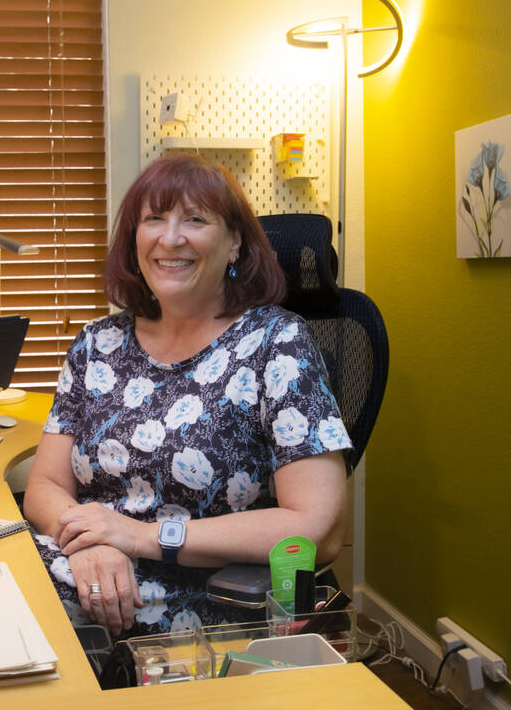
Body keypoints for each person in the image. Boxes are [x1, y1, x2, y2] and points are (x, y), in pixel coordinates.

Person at [23, 153, 351, 639]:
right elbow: (44, 486)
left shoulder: (275, 344)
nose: (170, 238)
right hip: (77, 569)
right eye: (154, 218)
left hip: (187, 601)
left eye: (195, 220)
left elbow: (314, 527)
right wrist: (89, 541)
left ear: (235, 242)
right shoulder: (96, 345)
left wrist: (137, 537)